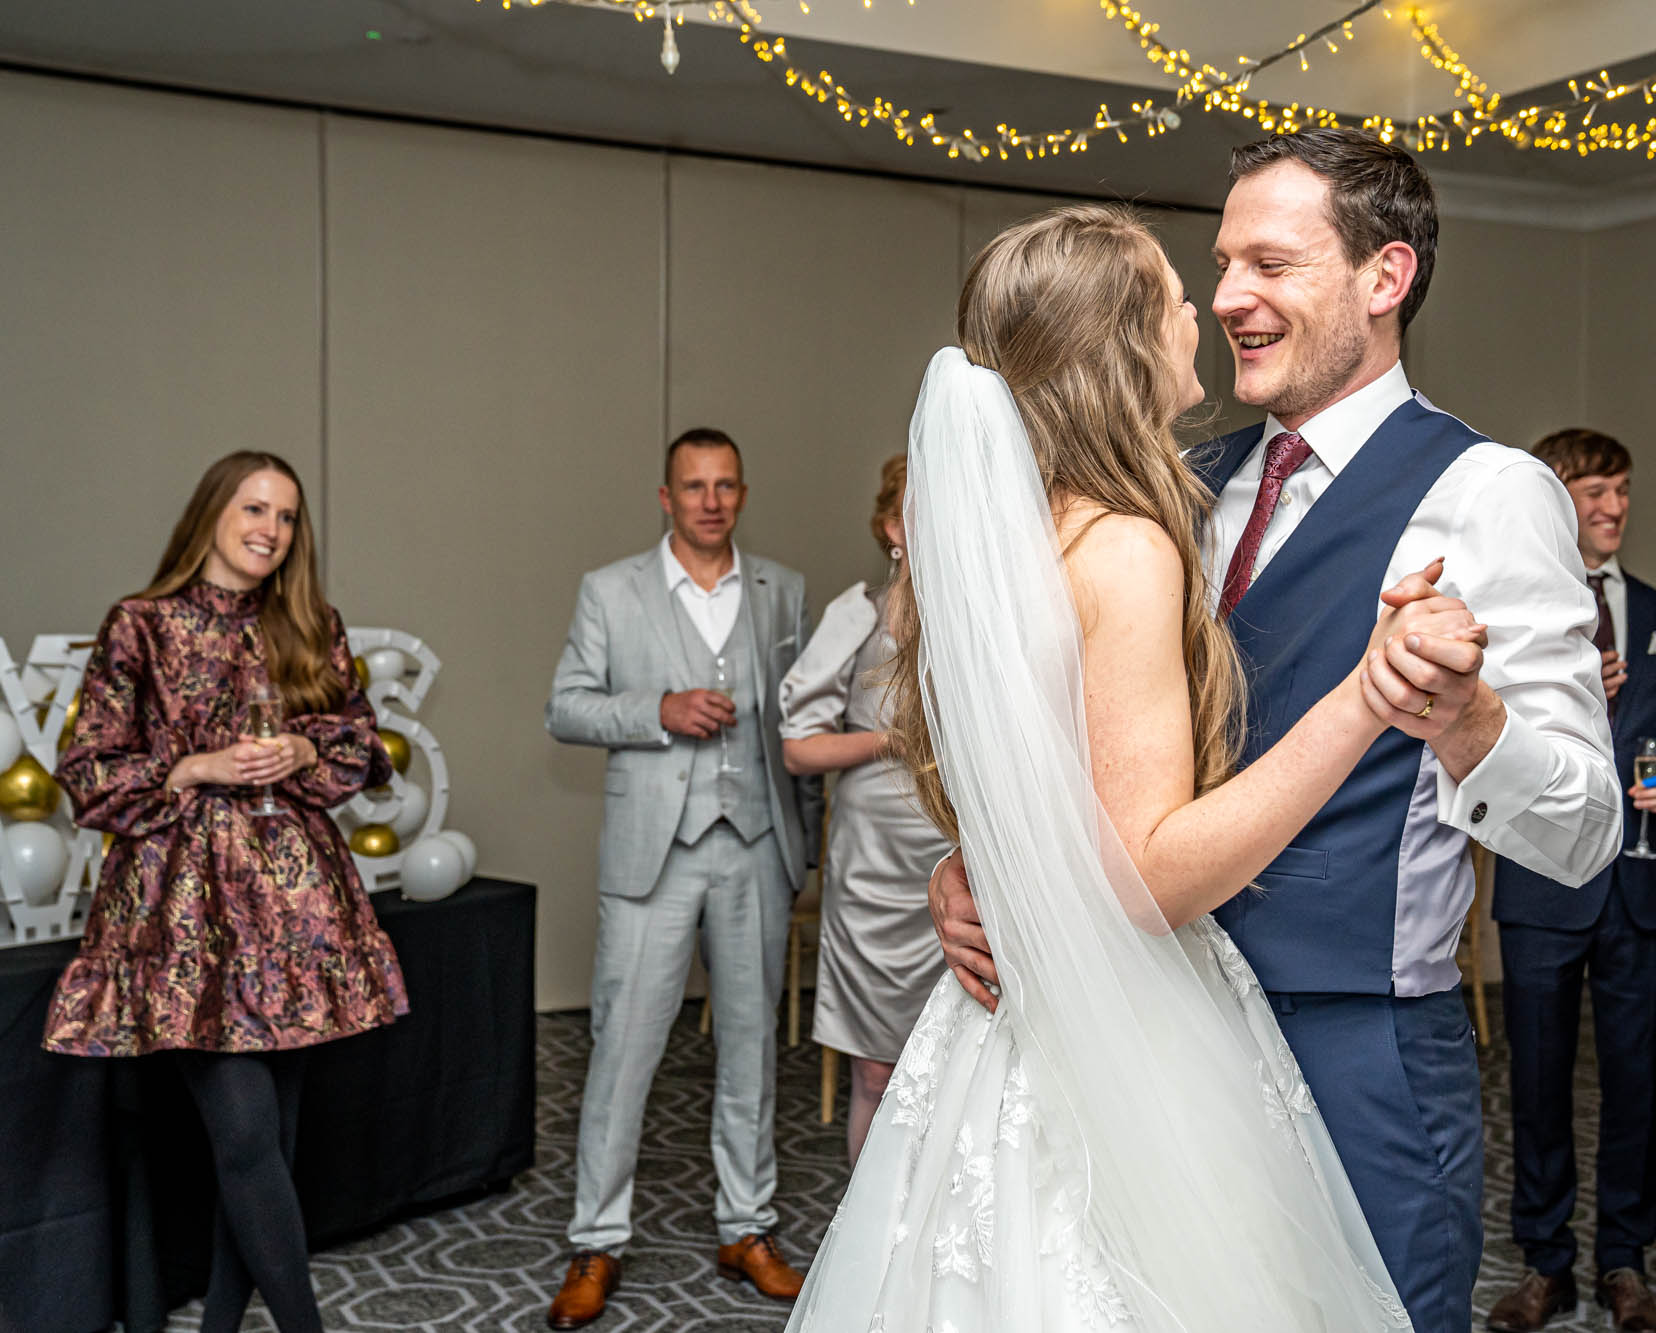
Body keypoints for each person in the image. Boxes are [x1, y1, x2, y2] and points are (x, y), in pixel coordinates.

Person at [931, 128, 1621, 1332]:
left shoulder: (1490, 492)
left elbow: (1581, 833)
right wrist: (982, 862)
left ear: (1382, 278)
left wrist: (1468, 720)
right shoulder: (1179, 483)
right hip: (1150, 1033)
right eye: (1220, 265)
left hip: (1358, 1048)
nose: (1227, 298)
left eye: (1270, 264)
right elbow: (1085, 736)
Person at [790, 204, 1493, 1330]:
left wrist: (976, 867)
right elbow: (1144, 876)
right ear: (1123, 344)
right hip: (1113, 1020)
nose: (1199, 311)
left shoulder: (999, 538)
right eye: (1174, 292)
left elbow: (1035, 787)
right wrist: (1367, 695)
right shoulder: (1121, 541)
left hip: (1002, 1025)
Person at [44, 451, 407, 1333]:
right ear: (212, 511)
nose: (269, 530)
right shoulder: (142, 623)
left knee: (267, 1153)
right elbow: (87, 769)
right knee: (246, 1141)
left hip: (295, 914)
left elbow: (366, 744)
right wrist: (195, 766)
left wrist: (307, 752)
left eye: (285, 517)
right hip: (184, 916)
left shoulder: (310, 622)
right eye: (253, 508)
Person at [543, 427, 817, 1328]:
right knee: (624, 1050)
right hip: (652, 852)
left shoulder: (781, 590)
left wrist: (802, 845)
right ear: (666, 496)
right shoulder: (610, 590)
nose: (710, 500)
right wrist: (656, 709)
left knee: (750, 1048)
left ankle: (747, 1226)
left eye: (726, 485)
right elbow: (567, 707)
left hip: (754, 849)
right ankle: (597, 1239)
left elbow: (802, 723)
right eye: (694, 486)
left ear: (742, 493)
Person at [1485, 430, 1656, 1333]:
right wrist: (1566, 692)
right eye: (1596, 491)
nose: (1616, 507)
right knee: (1534, 1082)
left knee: (1638, 1080)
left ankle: (1625, 1260)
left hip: (1644, 885)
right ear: (1552, 496)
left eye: (1623, 490)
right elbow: (1479, 745)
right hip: (1542, 885)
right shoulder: (1512, 619)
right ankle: (1545, 1263)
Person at [778, 454, 953, 1164]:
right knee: (877, 1072)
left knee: (956, 1071)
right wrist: (891, 739)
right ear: (890, 527)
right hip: (873, 871)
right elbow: (799, 749)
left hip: (956, 862)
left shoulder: (985, 616)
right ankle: (871, 1242)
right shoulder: (856, 614)